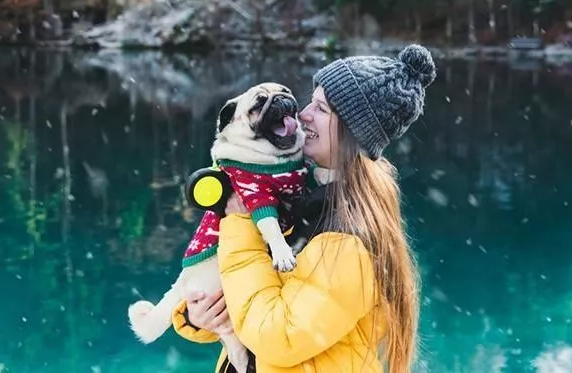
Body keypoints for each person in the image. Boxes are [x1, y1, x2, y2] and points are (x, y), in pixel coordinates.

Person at [171, 44, 437, 372]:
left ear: (352, 134)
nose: (304, 114)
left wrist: (239, 223)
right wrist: (205, 316)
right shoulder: (301, 193)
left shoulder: (347, 237)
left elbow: (277, 337)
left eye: (321, 109)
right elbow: (259, 294)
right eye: (311, 101)